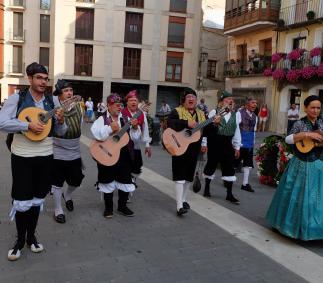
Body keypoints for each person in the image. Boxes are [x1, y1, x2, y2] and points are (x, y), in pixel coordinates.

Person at [0, 62, 67, 261]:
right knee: (22, 199)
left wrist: (61, 122)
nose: (43, 82)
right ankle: (20, 240)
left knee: (38, 198)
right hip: (22, 156)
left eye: (46, 79)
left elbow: (60, 132)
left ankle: (31, 237)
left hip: (46, 155)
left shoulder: (53, 102)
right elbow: (2, 122)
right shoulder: (18, 98)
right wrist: (26, 125)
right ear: (29, 79)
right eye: (39, 78)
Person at [266, 95, 323, 240]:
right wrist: (305, 134)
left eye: (318, 108)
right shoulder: (299, 123)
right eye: (313, 107)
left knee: (316, 198)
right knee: (296, 196)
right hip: (300, 164)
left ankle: (315, 228)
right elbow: (288, 139)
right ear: (305, 108)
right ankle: (291, 226)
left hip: (318, 164)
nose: (316, 110)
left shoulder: (322, 123)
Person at [91, 93, 141, 218]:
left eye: (121, 105)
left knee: (125, 181)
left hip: (124, 156)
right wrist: (109, 129)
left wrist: (135, 128)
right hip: (107, 154)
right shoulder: (101, 119)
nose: (119, 108)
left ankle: (122, 206)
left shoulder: (125, 119)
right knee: (107, 181)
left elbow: (135, 138)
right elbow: (97, 135)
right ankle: (108, 208)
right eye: (116, 105)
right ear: (109, 105)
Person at [167, 88, 207, 216]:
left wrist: (215, 124)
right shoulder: (177, 111)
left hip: (194, 148)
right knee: (179, 176)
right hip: (178, 147)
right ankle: (179, 205)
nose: (191, 99)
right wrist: (186, 123)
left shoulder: (201, 114)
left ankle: (184, 200)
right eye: (188, 97)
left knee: (189, 177)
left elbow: (206, 131)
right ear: (183, 100)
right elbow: (170, 123)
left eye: (193, 97)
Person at [51, 80, 84, 224]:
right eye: (66, 90)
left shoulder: (78, 107)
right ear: (59, 93)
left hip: (74, 150)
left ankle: (67, 194)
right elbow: (57, 131)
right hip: (58, 150)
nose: (70, 93)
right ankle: (58, 209)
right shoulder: (54, 108)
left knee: (77, 179)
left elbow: (80, 126)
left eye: (71, 90)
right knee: (57, 182)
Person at [202, 90, 241, 204]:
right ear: (221, 102)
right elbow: (207, 129)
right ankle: (206, 189)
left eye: (231, 100)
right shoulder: (214, 111)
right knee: (211, 164)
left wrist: (237, 146)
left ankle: (229, 194)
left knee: (229, 166)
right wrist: (204, 144)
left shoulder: (235, 115)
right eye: (227, 100)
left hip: (227, 143)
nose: (230, 102)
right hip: (215, 141)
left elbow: (237, 131)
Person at [121, 90, 152, 189]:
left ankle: (131, 184)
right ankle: (125, 186)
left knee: (135, 168)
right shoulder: (122, 113)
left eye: (135, 100)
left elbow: (145, 129)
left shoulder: (141, 114)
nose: (133, 102)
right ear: (127, 102)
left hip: (136, 147)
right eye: (131, 100)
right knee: (124, 168)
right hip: (123, 147)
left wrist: (147, 145)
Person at [236, 97, 258, 193]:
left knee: (248, 164)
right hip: (239, 141)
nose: (255, 105)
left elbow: (254, 130)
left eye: (256, 103)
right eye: (253, 102)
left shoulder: (255, 116)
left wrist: (253, 141)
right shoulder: (239, 113)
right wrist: (235, 142)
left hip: (249, 143)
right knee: (234, 163)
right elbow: (235, 128)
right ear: (247, 104)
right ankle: (227, 180)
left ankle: (245, 184)